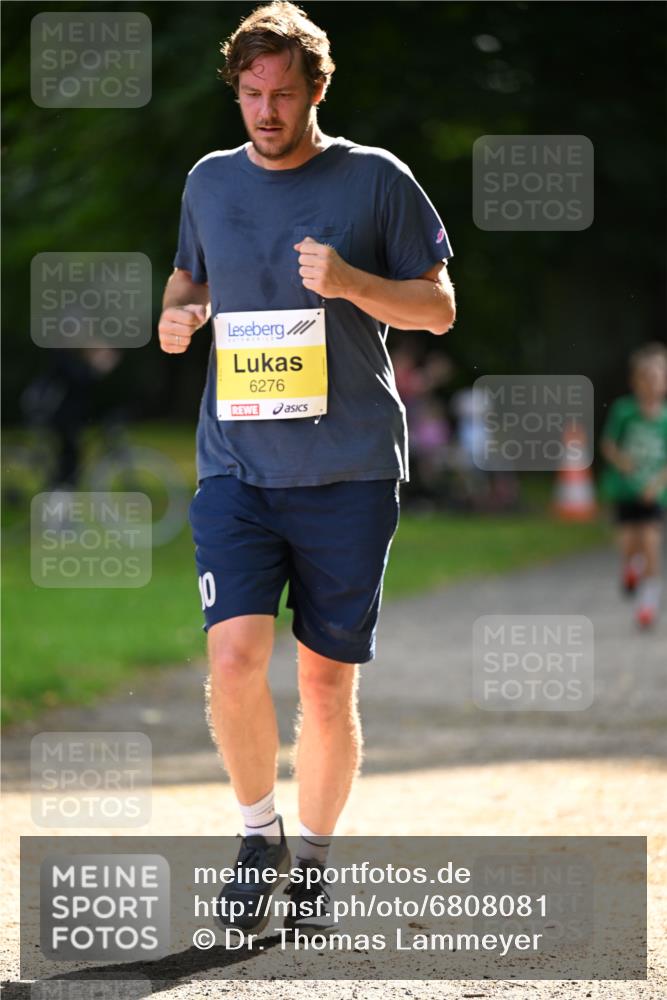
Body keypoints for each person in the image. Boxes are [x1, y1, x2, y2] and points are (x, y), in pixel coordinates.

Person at [158, 0, 455, 935]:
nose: (266, 112)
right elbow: (188, 276)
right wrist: (178, 314)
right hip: (236, 465)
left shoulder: (375, 181)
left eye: (283, 94)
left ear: (316, 89)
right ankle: (257, 838)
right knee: (235, 657)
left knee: (325, 684)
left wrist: (352, 282)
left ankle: (316, 861)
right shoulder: (208, 182)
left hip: (350, 469)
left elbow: (439, 309)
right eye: (250, 95)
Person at [600, 342, 667, 628]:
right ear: (635, 382)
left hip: (653, 493)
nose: (652, 384)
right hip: (625, 490)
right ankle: (631, 568)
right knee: (629, 543)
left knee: (651, 542)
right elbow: (608, 444)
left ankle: (648, 604)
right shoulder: (624, 411)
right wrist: (622, 462)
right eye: (646, 378)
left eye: (658, 377)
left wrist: (657, 484)